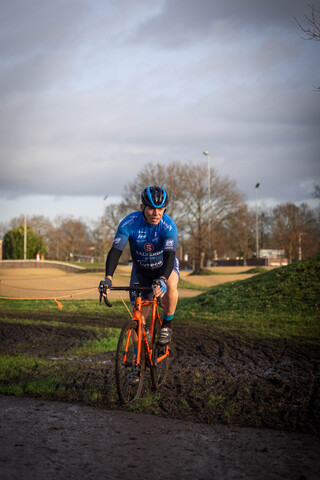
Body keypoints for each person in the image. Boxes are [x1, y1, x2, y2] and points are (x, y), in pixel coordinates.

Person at [99, 185, 179, 345]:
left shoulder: (169, 226)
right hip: (141, 270)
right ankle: (137, 365)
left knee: (170, 285)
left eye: (161, 209)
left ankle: (166, 326)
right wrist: (108, 278)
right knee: (138, 325)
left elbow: (169, 255)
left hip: (164, 266)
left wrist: (162, 278)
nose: (156, 214)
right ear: (142, 207)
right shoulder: (129, 223)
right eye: (151, 209)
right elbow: (115, 251)